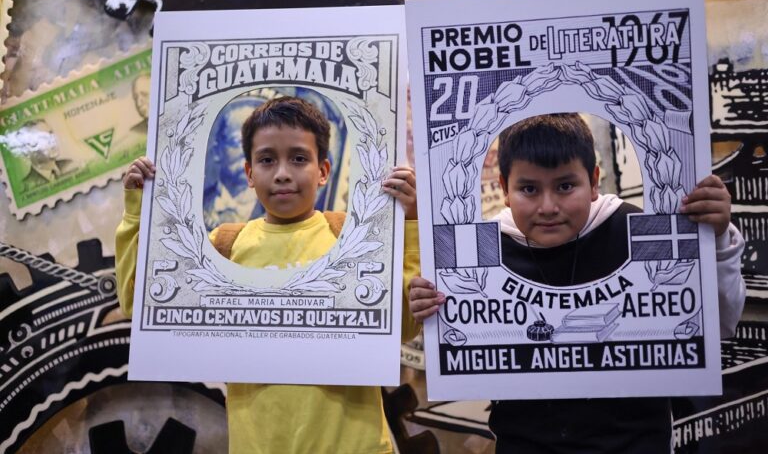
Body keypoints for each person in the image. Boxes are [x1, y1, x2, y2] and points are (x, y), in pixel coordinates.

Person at [409, 113, 746, 453]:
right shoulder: (481, 252)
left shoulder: (637, 232)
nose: (548, 207)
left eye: (565, 186)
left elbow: (720, 322)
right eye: (529, 189)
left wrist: (717, 241)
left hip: (635, 445)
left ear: (594, 181)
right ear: (505, 189)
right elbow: (460, 349)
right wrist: (430, 310)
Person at [116, 96, 421, 454]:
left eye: (299, 158)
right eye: (266, 160)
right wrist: (137, 212)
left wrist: (411, 219)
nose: (282, 173)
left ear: (323, 170)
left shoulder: (351, 236)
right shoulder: (223, 246)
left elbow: (405, 325)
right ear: (249, 173)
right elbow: (137, 302)